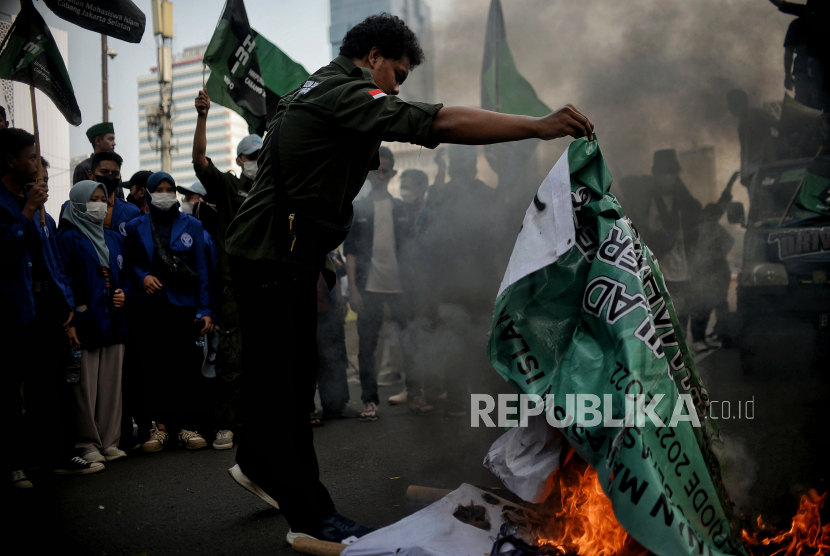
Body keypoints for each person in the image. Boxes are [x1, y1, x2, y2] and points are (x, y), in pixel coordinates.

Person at [223, 13, 593, 544]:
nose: (397, 88)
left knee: (274, 375)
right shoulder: (343, 93)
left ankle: (257, 462)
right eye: (396, 74)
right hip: (273, 257)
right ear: (372, 57)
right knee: (288, 389)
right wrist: (537, 126)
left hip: (279, 253)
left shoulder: (317, 89)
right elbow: (437, 123)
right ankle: (312, 516)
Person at [1, 128, 104, 487]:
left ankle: (56, 456)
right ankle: (13, 463)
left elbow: (51, 257)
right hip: (13, 310)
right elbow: (5, 255)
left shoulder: (38, 202)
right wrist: (27, 212)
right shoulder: (7, 203)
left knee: (50, 386)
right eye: (30, 158)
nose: (35, 164)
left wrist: (67, 301)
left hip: (46, 307)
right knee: (13, 391)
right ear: (11, 161)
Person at [123, 172, 214, 452]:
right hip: (150, 308)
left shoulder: (193, 225)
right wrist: (142, 278)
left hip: (183, 307)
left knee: (184, 366)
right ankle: (159, 428)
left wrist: (205, 309)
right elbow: (130, 264)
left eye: (170, 189)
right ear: (149, 193)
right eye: (159, 189)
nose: (165, 193)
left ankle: (187, 427)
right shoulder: (135, 226)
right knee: (153, 367)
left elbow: (202, 269)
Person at [192, 92, 260, 450]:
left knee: (264, 356)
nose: (257, 163)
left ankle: (259, 421)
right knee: (232, 356)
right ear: (239, 159)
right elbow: (199, 160)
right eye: (251, 158)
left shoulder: (273, 189)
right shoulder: (229, 187)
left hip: (267, 285)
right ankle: (226, 424)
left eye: (262, 158)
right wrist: (203, 116)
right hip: (235, 286)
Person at [344, 146, 432, 420]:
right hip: (368, 288)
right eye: (377, 171)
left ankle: (416, 395)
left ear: (392, 173)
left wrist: (417, 286)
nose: (381, 176)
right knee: (367, 347)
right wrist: (354, 290)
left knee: (410, 344)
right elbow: (351, 253)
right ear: (369, 175)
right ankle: (370, 401)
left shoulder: (402, 209)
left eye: (386, 171)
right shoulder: (358, 209)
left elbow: (414, 251)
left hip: (401, 288)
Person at [418, 144, 500, 415]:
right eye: (456, 163)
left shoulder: (487, 194)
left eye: (465, 162)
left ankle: (485, 403)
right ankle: (457, 401)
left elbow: (497, 238)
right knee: (454, 342)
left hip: (483, 283)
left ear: (473, 165)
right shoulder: (442, 193)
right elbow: (430, 228)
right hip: (451, 285)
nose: (461, 168)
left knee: (482, 343)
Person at [56, 181, 130, 464]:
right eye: (93, 199)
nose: (100, 204)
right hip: (85, 320)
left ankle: (109, 441)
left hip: (114, 319)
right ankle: (87, 443)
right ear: (76, 203)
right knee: (84, 387)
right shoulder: (67, 239)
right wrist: (70, 318)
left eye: (103, 199)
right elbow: (64, 279)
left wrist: (127, 294)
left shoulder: (113, 238)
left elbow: (127, 276)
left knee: (111, 384)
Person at [639, 149, 705, 351]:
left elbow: (698, 229)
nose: (667, 178)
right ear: (655, 175)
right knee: (662, 318)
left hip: (685, 269)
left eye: (671, 172)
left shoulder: (686, 202)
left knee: (683, 314)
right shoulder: (645, 201)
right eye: (662, 173)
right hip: (658, 269)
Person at [60, 151, 139, 234]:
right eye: (104, 172)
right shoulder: (72, 208)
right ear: (90, 174)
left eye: (115, 173)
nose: (110, 177)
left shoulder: (131, 211)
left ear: (120, 177)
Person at [726, 90, 778, 187]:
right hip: (753, 174)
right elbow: (745, 151)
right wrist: (744, 174)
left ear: (740, 103)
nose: (729, 108)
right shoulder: (742, 122)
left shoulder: (756, 114)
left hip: (764, 169)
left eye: (731, 104)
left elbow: (779, 126)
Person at [73, 122, 124, 199]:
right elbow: (79, 201)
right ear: (97, 141)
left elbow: (121, 199)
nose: (114, 143)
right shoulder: (83, 168)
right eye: (110, 139)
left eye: (115, 173)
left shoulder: (115, 167)